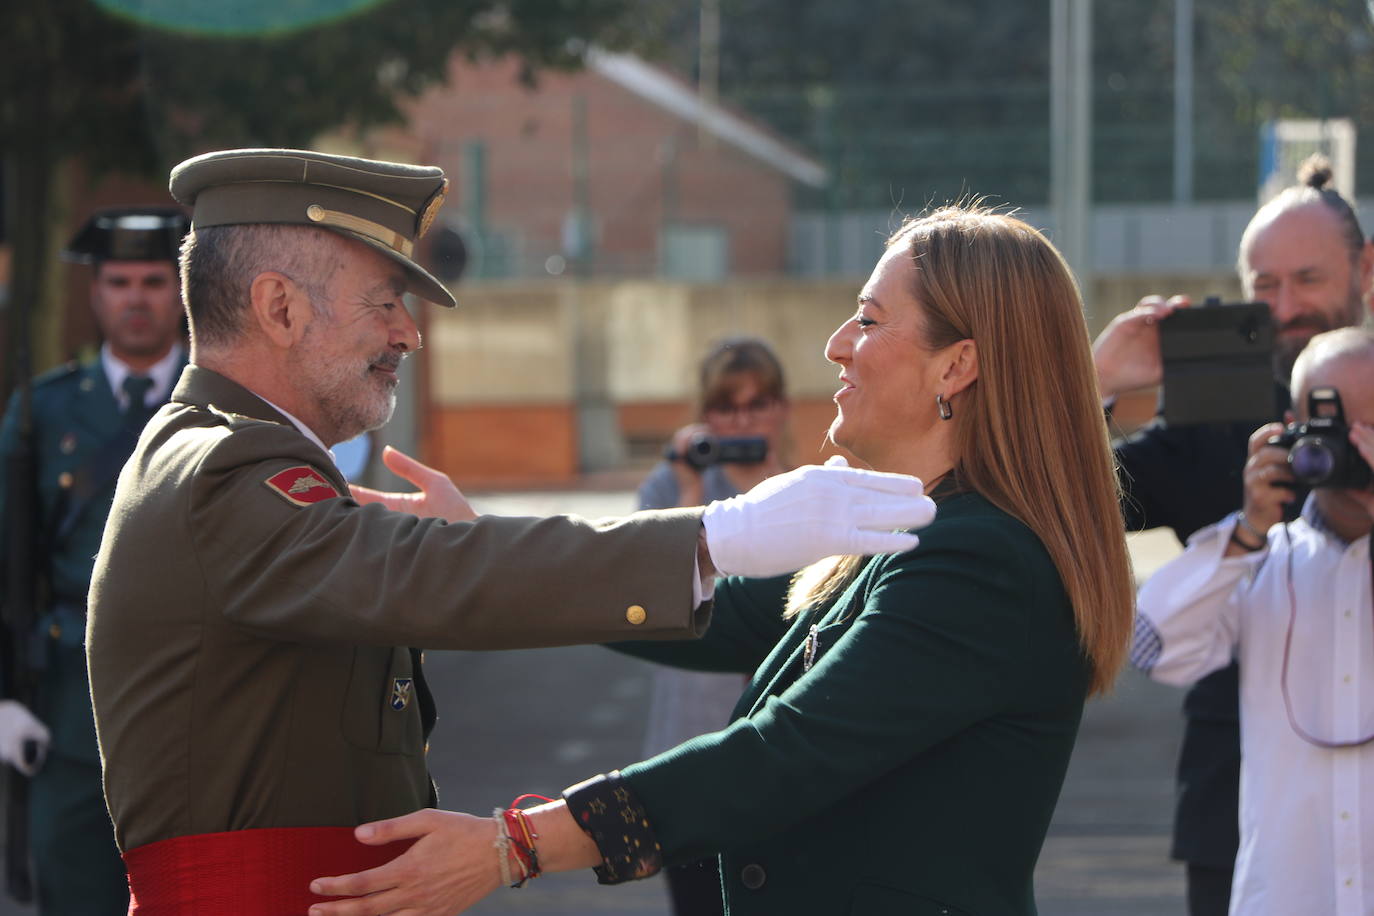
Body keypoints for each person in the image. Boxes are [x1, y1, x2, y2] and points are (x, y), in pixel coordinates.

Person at [83, 147, 938, 911]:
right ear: (278, 308)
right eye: (384, 302)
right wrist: (714, 535)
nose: (407, 334)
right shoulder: (224, 474)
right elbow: (424, 577)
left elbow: (424, 575)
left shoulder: (233, 464)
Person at [307, 203, 1137, 916]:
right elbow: (705, 606)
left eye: (871, 318)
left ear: (957, 365)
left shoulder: (982, 564)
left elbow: (780, 756)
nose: (837, 345)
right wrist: (485, 541)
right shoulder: (908, 530)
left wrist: (512, 846)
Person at [1092, 154, 1373, 916]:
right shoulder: (1212, 420)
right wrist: (1099, 384)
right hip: (1240, 809)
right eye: (1264, 285)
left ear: (1365, 270)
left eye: (1308, 280)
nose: (1284, 307)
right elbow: (1068, 507)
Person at [1133, 326, 1374, 916]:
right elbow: (1153, 645)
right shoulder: (1262, 559)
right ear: (1293, 428)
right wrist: (1245, 531)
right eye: (1337, 429)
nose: (1356, 450)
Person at [0, 207, 188, 914]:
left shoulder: (225, 407)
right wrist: (5, 697)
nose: (135, 298)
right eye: (117, 281)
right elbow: (8, 564)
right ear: (94, 292)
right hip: (68, 718)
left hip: (196, 707)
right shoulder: (42, 413)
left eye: (153, 280)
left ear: (182, 290)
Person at [637, 336, 792, 916]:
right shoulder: (671, 482)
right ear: (707, 414)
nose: (743, 419)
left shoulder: (803, 488)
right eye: (728, 405)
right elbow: (639, 591)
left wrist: (767, 480)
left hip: (779, 747)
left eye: (758, 403)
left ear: (781, 409)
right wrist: (689, 493)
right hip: (689, 742)